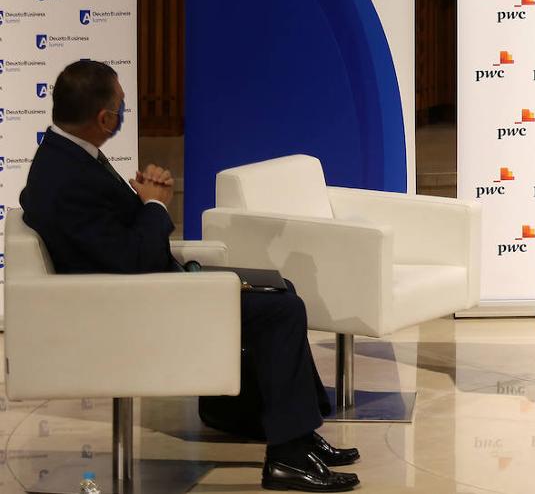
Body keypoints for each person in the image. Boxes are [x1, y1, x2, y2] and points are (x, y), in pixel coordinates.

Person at [19, 60, 361, 493]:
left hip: (145, 290)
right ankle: (287, 458)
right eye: (121, 106)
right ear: (104, 118)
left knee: (279, 288)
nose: (124, 112)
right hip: (133, 307)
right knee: (282, 311)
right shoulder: (67, 177)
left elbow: (112, 238)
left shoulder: (67, 156)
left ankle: (295, 433)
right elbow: (134, 260)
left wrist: (144, 198)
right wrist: (155, 204)